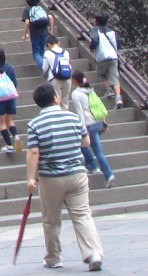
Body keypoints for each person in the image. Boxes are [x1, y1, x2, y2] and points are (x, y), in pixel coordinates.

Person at [25, 83, 105, 271]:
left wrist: (30, 179)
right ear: (56, 98)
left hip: (51, 177)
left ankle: (53, 257)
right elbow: (86, 142)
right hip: (77, 174)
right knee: (82, 214)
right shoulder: (73, 117)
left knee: (51, 220)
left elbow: (33, 152)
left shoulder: (35, 124)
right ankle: (93, 252)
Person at [71, 73, 115, 188]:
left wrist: (82, 129)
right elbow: (99, 106)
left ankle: (106, 173)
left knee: (94, 150)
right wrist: (104, 122)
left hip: (89, 125)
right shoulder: (90, 90)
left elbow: (80, 113)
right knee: (83, 145)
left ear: (75, 80)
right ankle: (92, 166)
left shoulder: (76, 94)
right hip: (98, 123)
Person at [88, 14, 123, 108]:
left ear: (96, 21)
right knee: (114, 78)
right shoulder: (111, 31)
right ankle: (118, 98)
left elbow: (95, 40)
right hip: (113, 57)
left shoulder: (95, 30)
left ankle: (109, 89)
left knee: (101, 74)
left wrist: (91, 48)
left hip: (102, 57)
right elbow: (118, 44)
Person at [22, 0, 55, 71]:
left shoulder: (27, 10)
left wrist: (25, 35)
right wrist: (51, 30)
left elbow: (27, 22)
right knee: (42, 50)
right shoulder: (42, 8)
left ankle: (45, 69)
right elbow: (50, 17)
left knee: (36, 52)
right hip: (44, 31)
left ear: (27, 2)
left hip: (35, 32)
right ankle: (47, 67)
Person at [42, 35, 73, 109]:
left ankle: (58, 114)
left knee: (56, 100)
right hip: (67, 78)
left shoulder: (48, 53)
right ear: (58, 43)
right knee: (65, 100)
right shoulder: (65, 52)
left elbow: (45, 68)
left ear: (48, 44)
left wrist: (44, 75)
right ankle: (65, 113)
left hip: (54, 78)